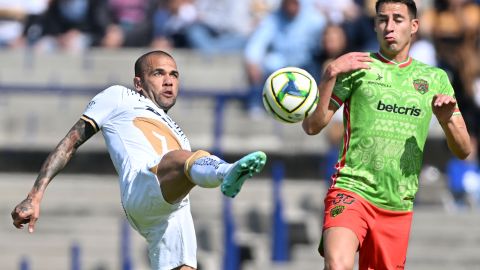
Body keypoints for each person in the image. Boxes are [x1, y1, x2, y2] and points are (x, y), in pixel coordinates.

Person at [10, 50, 267, 270]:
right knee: (180, 160)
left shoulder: (179, 134)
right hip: (140, 185)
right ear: (139, 82)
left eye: (174, 75)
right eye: (159, 73)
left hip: (172, 206)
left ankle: (223, 171)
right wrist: (35, 195)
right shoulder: (119, 97)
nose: (169, 81)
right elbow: (70, 143)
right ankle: (226, 171)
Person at [302, 0, 472, 269]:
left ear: (414, 26)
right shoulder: (356, 66)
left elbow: (464, 150)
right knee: (338, 264)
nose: (389, 27)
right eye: (382, 20)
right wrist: (329, 75)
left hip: (397, 203)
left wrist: (446, 121)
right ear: (375, 25)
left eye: (398, 19)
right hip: (351, 190)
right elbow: (312, 126)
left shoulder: (435, 78)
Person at [243, 0, 327, 117]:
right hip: (280, 65)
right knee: (264, 65)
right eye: (288, 3)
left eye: (294, 3)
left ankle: (316, 108)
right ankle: (258, 105)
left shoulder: (315, 19)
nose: (291, 7)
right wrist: (252, 62)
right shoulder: (272, 19)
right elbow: (256, 45)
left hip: (308, 65)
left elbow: (327, 41)